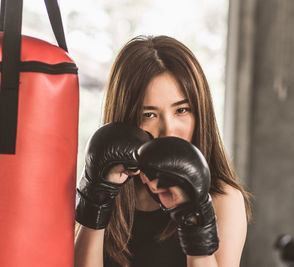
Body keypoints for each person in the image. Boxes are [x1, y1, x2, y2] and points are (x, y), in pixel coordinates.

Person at [74, 35, 251, 267]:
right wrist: (98, 196)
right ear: (126, 121)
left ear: (200, 112)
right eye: (149, 114)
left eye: (182, 110)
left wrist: (193, 217)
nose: (168, 130)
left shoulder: (223, 199)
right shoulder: (107, 183)